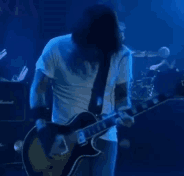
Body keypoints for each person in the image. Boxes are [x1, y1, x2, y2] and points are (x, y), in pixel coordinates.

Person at [30, 4, 134, 176]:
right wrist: (43, 132)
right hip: (63, 139)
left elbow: (121, 95)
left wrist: (124, 110)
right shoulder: (56, 46)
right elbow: (38, 89)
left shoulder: (122, 54)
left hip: (106, 135)